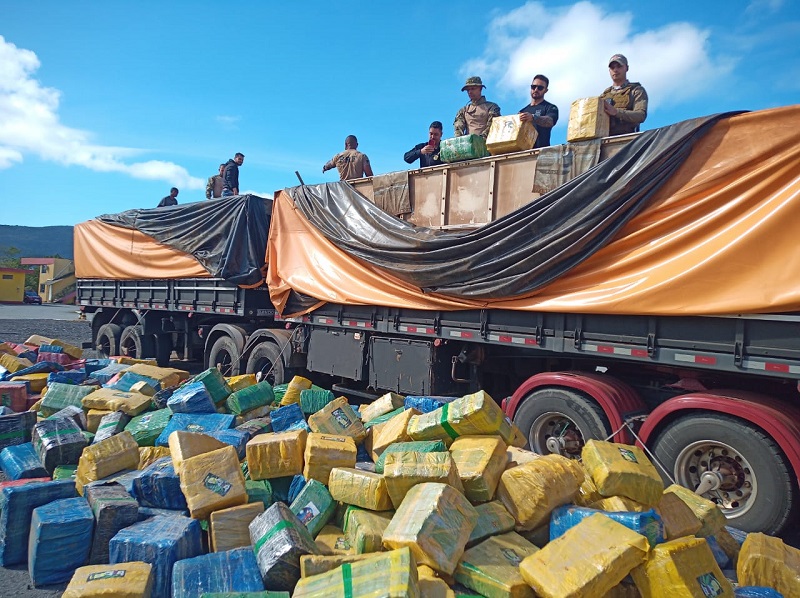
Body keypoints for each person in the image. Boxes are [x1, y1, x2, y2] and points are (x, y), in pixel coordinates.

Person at [600, 54, 648, 136]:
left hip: (626, 140)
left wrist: (616, 112)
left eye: (619, 66)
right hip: (604, 141)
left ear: (626, 68)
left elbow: (640, 115)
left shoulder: (636, 90)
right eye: (612, 67)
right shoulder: (603, 96)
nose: (615, 70)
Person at [518, 74, 559, 148]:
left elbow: (550, 121)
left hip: (541, 152)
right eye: (533, 87)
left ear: (545, 90)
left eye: (540, 88)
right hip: (523, 154)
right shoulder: (522, 111)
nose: (536, 90)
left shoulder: (550, 107)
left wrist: (533, 117)